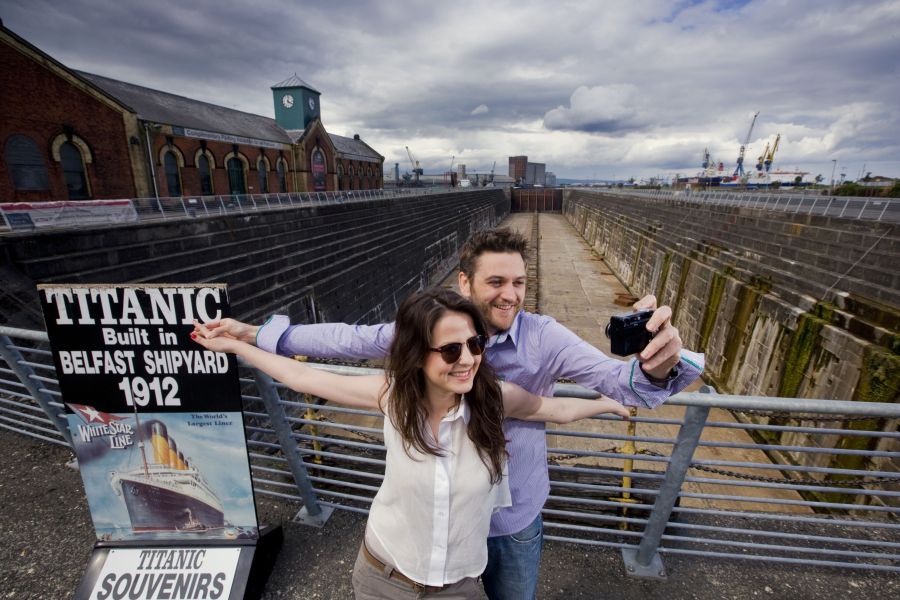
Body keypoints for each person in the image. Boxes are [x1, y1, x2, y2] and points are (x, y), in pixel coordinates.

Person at [203, 227, 705, 600]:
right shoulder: (420, 339)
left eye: (520, 282)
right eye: (496, 281)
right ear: (465, 281)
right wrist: (256, 334)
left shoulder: (540, 343)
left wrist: (657, 368)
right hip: (429, 527)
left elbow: (604, 384)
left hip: (509, 517)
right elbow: (345, 344)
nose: (510, 295)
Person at [192, 288, 630, 599]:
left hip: (457, 586)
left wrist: (608, 401)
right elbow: (303, 376)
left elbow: (555, 410)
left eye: (475, 344)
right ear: (418, 355)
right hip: (382, 575)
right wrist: (238, 344)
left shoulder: (495, 400)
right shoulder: (393, 396)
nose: (469, 359)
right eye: (451, 350)